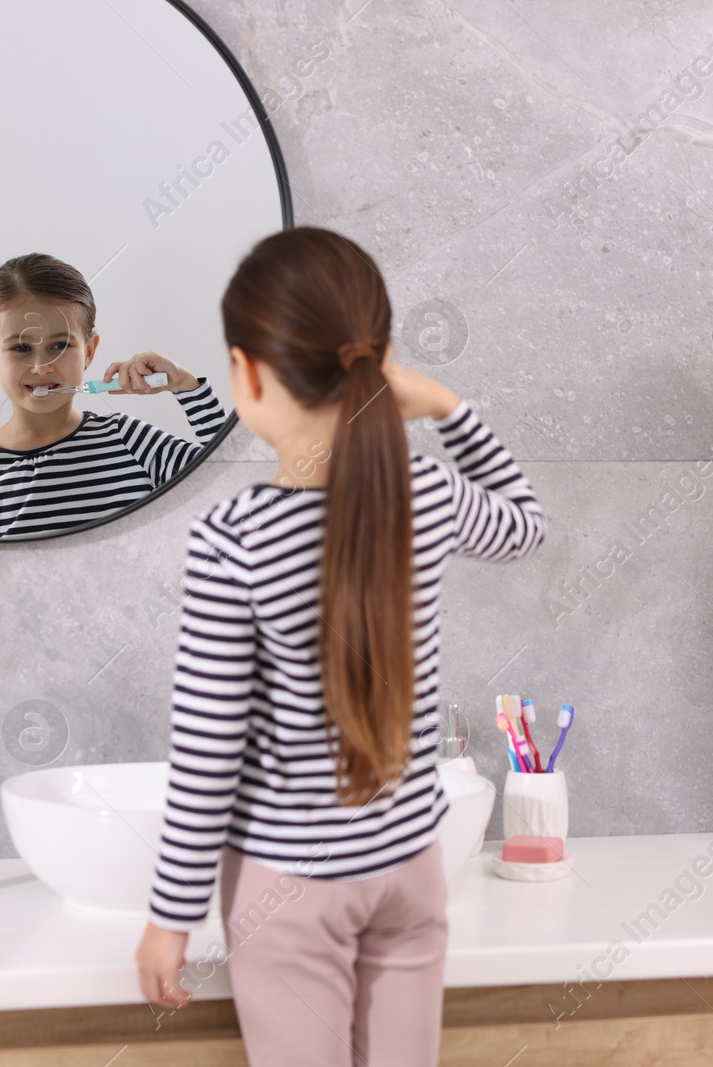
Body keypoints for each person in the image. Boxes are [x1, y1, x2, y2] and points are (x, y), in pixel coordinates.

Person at [134, 227, 545, 1066]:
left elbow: (207, 753)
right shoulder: (427, 490)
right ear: (380, 360)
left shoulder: (233, 539)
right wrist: (448, 408)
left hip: (290, 886)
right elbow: (528, 525)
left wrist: (168, 918)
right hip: (409, 867)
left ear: (246, 374)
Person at [0, 252, 227, 539]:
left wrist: (187, 387)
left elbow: (236, 487)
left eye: (60, 345)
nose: (41, 367)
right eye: (21, 348)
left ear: (89, 351)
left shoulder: (130, 441)